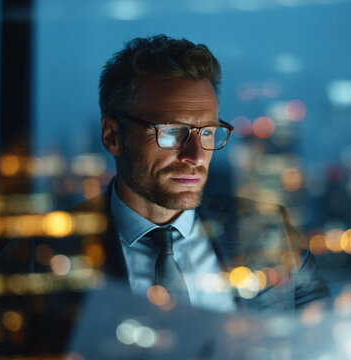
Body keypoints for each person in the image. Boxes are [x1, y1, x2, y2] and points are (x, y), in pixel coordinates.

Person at [86, 34, 330, 311]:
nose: (196, 156)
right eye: (172, 132)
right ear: (112, 136)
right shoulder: (50, 250)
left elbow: (325, 340)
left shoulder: (269, 230)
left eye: (208, 133)